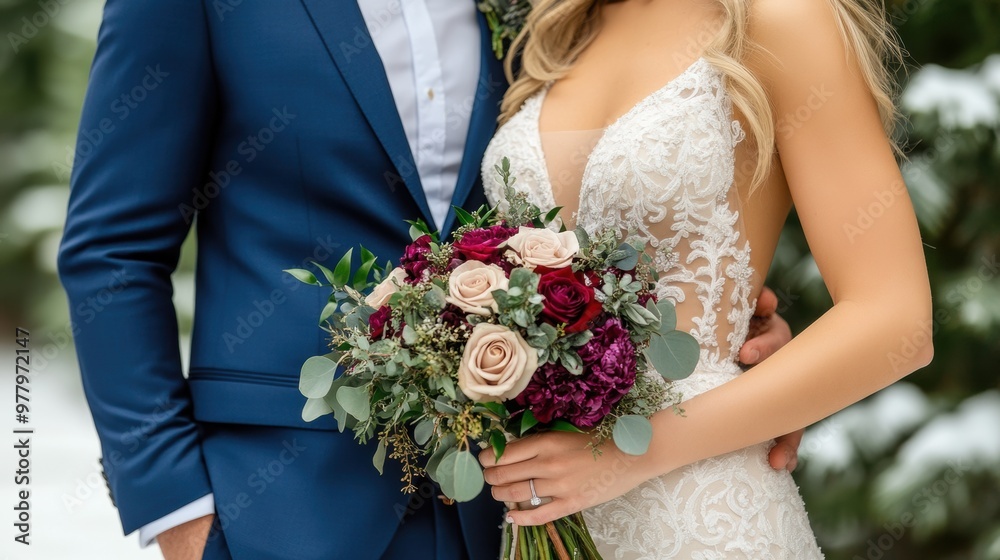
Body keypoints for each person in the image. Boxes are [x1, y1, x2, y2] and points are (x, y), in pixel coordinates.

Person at [57, 0, 800, 558]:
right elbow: (111, 251)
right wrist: (178, 510)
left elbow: (602, 185)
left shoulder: (538, 6)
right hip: (280, 507)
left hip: (517, 506)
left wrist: (715, 341)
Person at [479, 0, 933, 557]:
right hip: (547, 524)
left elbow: (894, 321)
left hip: (705, 514)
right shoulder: (559, 28)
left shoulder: (783, 18)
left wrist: (630, 454)